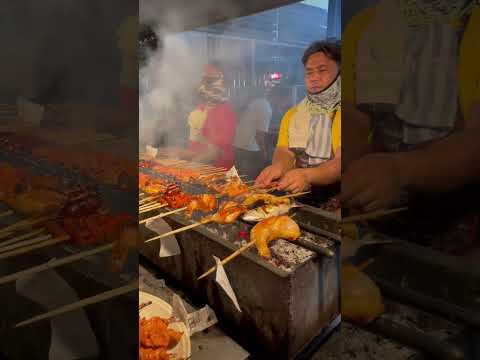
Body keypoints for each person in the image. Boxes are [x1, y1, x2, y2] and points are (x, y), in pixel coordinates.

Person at [340, 0, 480, 252]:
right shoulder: (363, 27)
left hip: (463, 220)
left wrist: (400, 170)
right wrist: (350, 176)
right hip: (381, 212)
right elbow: (354, 119)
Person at [255, 41, 341, 197]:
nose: (314, 77)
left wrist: (307, 175)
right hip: (300, 194)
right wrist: (279, 167)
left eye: (322, 70)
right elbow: (284, 151)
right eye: (309, 72)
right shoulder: (293, 114)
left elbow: (340, 163)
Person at [181, 62, 237, 169]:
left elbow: (214, 153)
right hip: (198, 170)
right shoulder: (201, 108)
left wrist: (190, 168)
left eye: (210, 80)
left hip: (215, 174)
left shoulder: (224, 111)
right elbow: (196, 147)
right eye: (204, 79)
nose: (204, 85)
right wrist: (176, 153)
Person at [233, 87, 272, 179]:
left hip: (237, 146)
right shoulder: (265, 106)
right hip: (250, 149)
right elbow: (260, 133)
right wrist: (264, 151)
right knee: (250, 180)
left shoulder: (253, 103)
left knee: (239, 179)